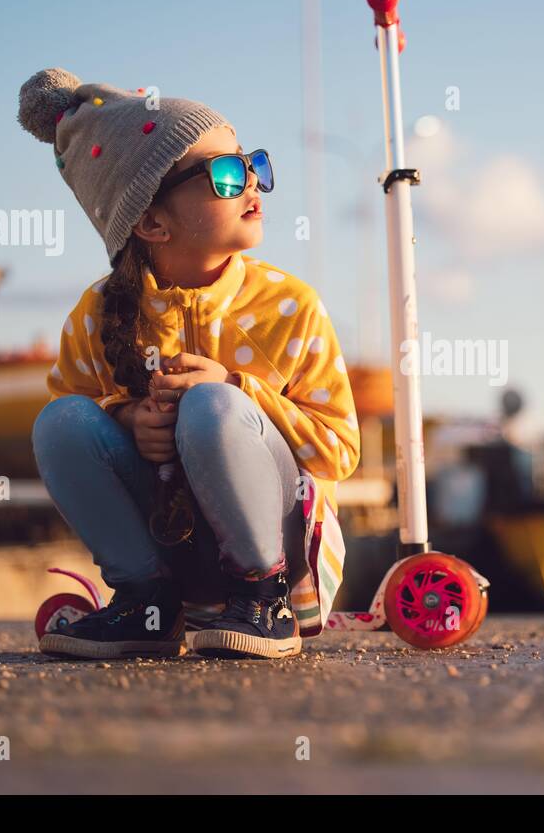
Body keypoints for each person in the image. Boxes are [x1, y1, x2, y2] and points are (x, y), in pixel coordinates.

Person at [19, 68, 358, 660]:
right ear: (152, 223)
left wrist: (236, 389)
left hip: (278, 551)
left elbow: (339, 451)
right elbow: (76, 432)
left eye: (252, 164)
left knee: (210, 404)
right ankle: (146, 605)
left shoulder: (291, 306)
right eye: (226, 174)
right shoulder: (96, 316)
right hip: (174, 554)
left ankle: (262, 599)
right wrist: (126, 419)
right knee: (58, 421)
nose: (252, 182)